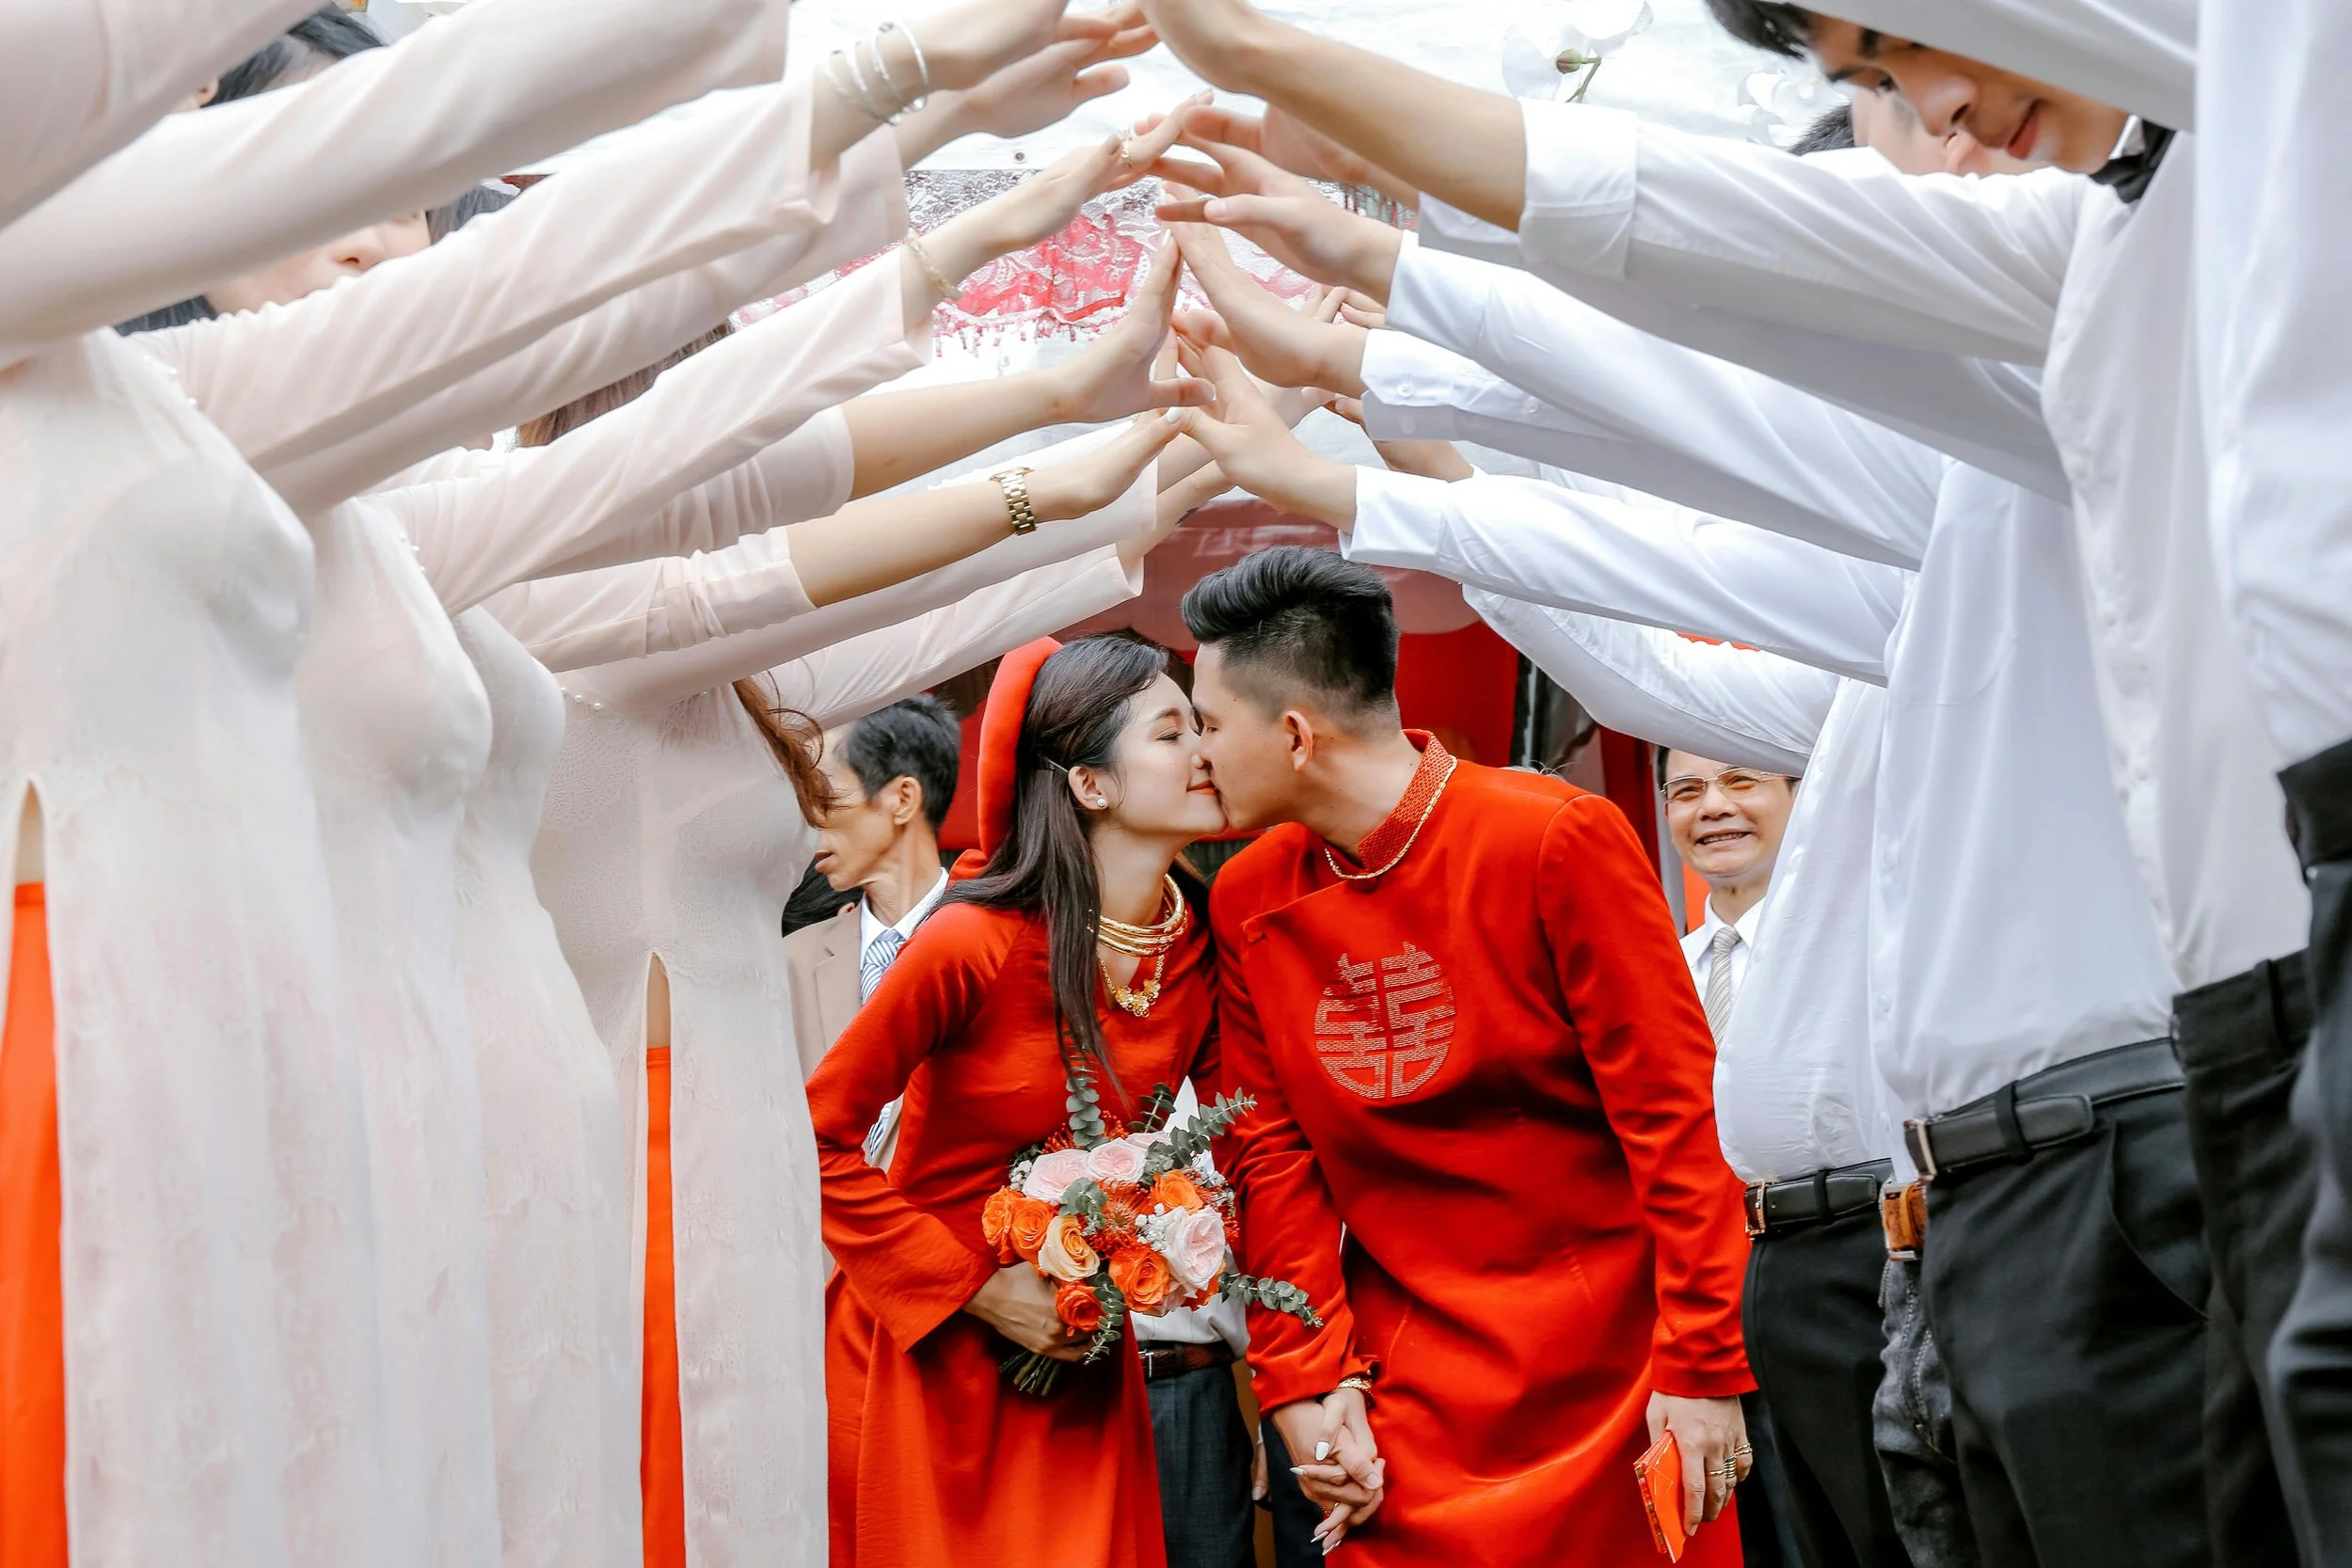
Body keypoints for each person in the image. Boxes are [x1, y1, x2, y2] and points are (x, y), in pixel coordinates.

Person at [1168, 546, 1753, 1563]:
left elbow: (1677, 1120)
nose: (1197, 759)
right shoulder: (1250, 895)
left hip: (1615, 1372)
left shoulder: (1554, 836)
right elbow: (1269, 1159)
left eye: (1209, 724)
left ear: (1296, 733)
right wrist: (1304, 1379)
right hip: (1407, 1393)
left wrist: (1701, 1364)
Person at [806, 634, 1228, 1566]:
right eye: (1172, 731)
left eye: (1201, 725)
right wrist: (977, 1288)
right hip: (927, 1358)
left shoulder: (1195, 945)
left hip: (1079, 1354)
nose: (1204, 748)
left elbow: (1250, 1142)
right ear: (1090, 784)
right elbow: (814, 1137)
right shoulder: (974, 944)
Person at [787, 694, 961, 1097]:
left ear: (902, 799)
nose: (810, 831)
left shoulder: (1005, 947)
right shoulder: (788, 964)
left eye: (824, 798)